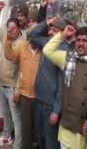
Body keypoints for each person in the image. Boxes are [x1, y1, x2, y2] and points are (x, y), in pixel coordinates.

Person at [43, 26, 87, 149]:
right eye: (78, 40)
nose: (80, 44)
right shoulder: (67, 58)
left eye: (84, 41)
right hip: (68, 127)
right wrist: (62, 34)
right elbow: (47, 50)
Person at [28, 17, 71, 149]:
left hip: (50, 106)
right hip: (39, 101)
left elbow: (62, 85)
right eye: (50, 29)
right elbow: (32, 34)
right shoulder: (47, 43)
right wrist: (46, 22)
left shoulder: (64, 51)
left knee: (51, 142)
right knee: (41, 139)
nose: (50, 32)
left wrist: (56, 111)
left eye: (54, 30)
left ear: (62, 33)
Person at [0, 1, 25, 148]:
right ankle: (6, 136)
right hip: (2, 83)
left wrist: (17, 90)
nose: (10, 31)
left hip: (12, 87)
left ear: (18, 29)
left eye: (13, 28)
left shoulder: (23, 42)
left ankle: (18, 144)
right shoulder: (4, 36)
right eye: (8, 28)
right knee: (6, 115)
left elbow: (22, 70)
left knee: (16, 118)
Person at [3, 25, 41, 149]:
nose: (32, 40)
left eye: (35, 37)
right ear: (28, 37)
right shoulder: (22, 47)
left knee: (38, 129)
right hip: (25, 95)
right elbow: (10, 56)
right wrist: (8, 41)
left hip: (40, 97)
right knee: (26, 128)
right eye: (30, 37)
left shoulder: (44, 50)